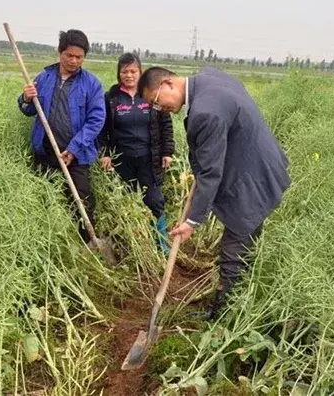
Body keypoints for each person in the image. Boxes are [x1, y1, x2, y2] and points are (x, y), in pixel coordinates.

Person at [137, 66, 291, 320]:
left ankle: (225, 318)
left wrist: (192, 221)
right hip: (258, 165)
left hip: (251, 181)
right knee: (244, 247)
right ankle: (240, 300)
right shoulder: (209, 77)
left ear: (168, 84)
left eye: (156, 101)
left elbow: (211, 173)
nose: (159, 109)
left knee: (234, 250)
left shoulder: (205, 111)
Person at [17, 29, 106, 244]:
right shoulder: (44, 78)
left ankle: (86, 243)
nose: (74, 61)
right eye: (69, 56)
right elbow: (29, 110)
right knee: (43, 198)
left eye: (79, 57)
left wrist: (74, 149)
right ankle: (47, 242)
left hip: (75, 155)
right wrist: (26, 98)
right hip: (45, 151)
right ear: (60, 52)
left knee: (81, 201)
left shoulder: (91, 84)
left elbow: (96, 120)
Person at [98, 53, 175, 255]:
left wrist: (167, 151)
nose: (129, 75)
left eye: (133, 71)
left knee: (154, 200)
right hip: (122, 159)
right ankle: (130, 246)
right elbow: (103, 128)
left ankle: (161, 245)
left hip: (149, 158)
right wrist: (105, 153)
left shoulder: (151, 94)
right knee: (126, 201)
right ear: (119, 73)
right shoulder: (111, 98)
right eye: (125, 71)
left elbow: (165, 123)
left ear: (140, 72)